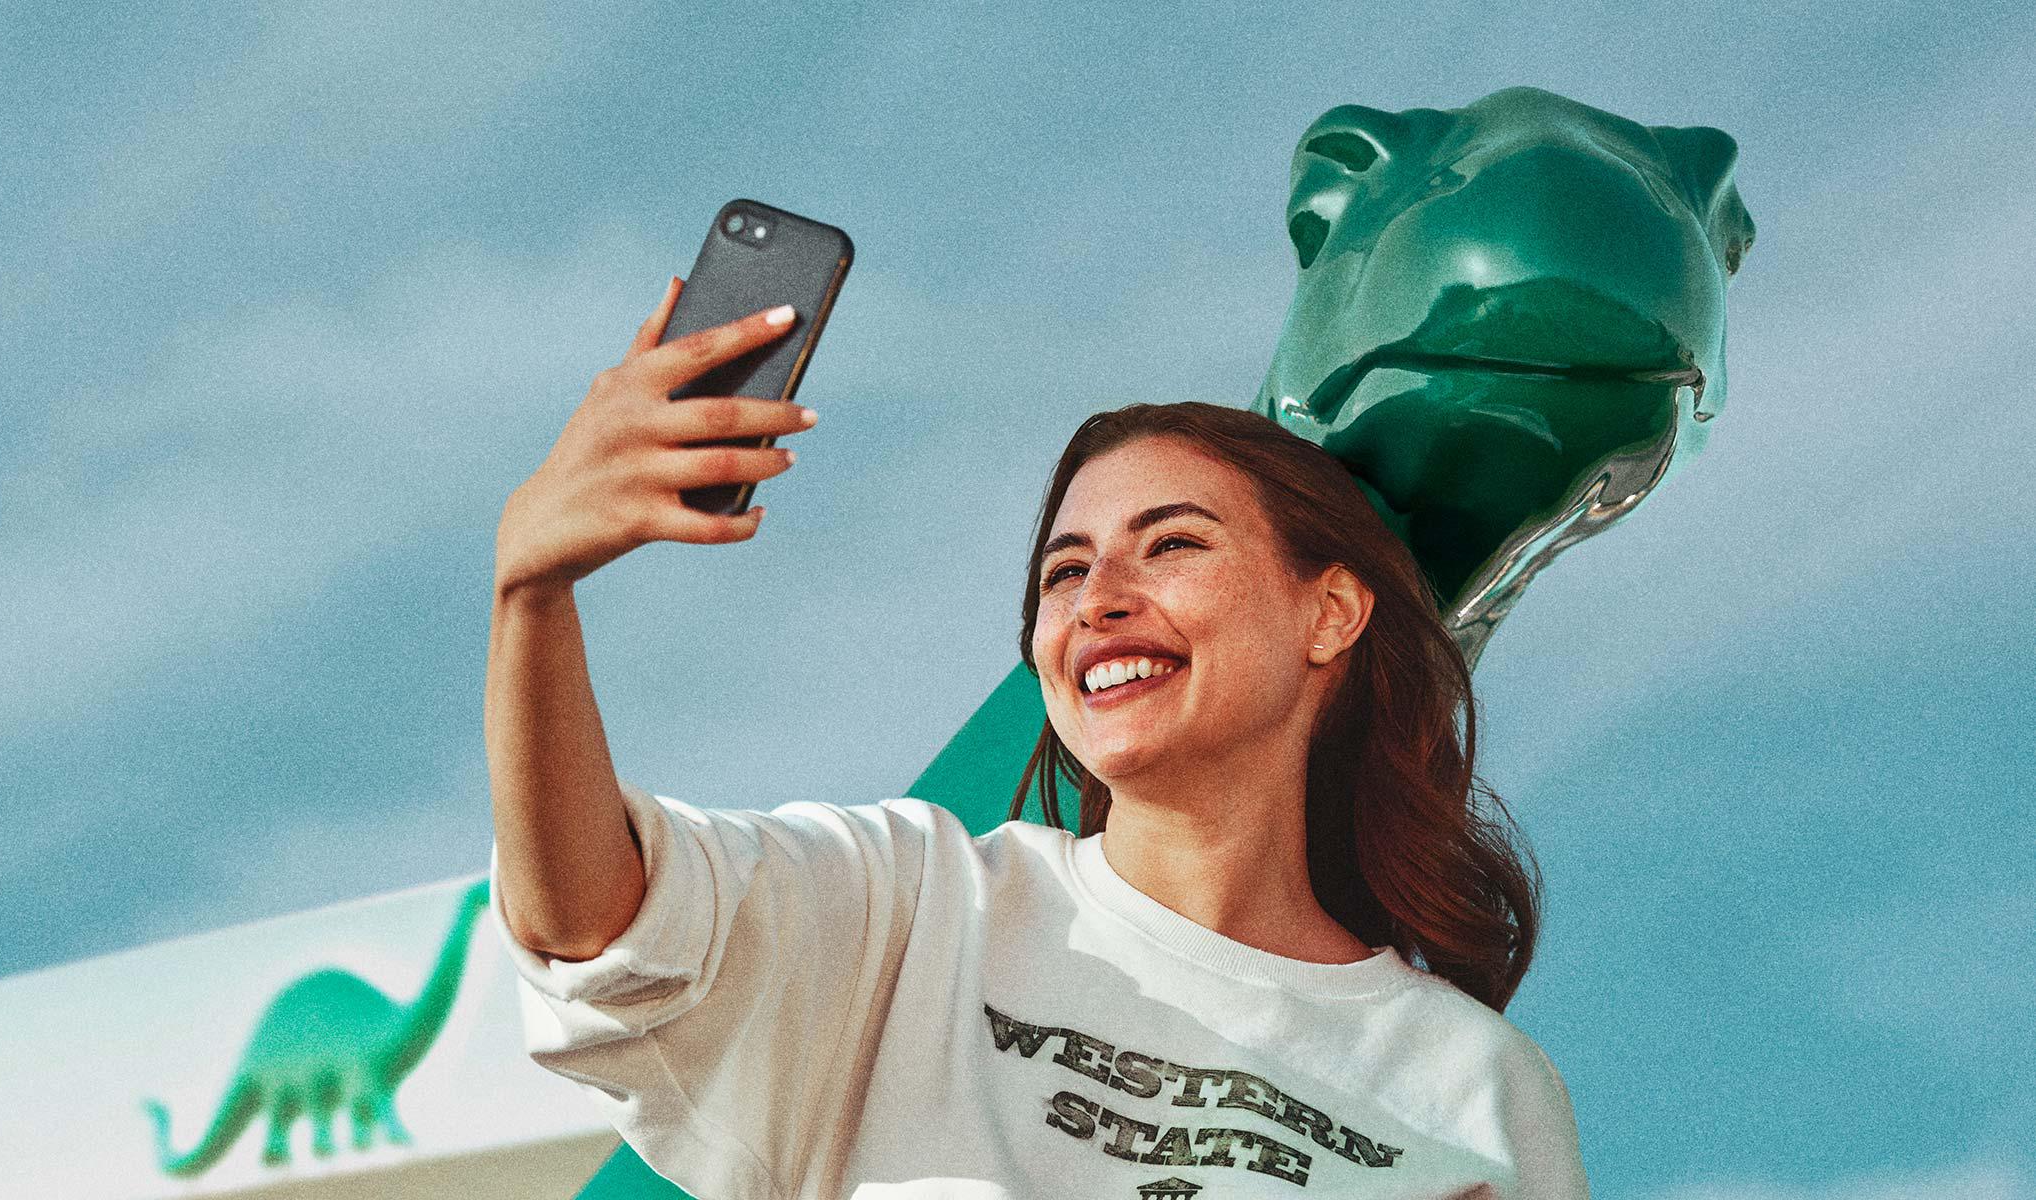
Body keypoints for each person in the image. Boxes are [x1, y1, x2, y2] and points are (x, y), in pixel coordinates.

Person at [486, 279, 1591, 1198]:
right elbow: (597, 925)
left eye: (1173, 546)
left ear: (1330, 613)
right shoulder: (913, 906)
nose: (1100, 598)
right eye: (1065, 571)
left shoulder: (1478, 1093)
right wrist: (532, 595)